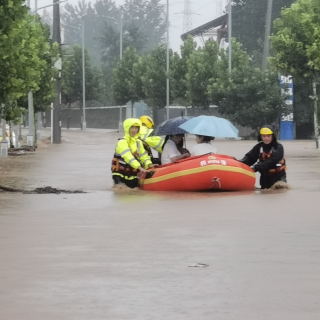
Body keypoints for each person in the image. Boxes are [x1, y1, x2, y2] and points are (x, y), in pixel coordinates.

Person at [111, 118, 157, 189]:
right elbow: (128, 157)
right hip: (120, 174)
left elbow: (143, 156)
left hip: (132, 174)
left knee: (135, 193)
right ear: (127, 128)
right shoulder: (122, 142)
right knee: (121, 191)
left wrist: (149, 164)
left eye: (136, 128)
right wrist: (140, 167)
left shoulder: (139, 142)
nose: (134, 130)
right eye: (132, 127)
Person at [239, 125, 287, 189]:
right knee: (263, 193)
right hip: (264, 179)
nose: (266, 138)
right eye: (264, 136)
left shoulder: (278, 147)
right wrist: (239, 163)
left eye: (268, 136)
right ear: (261, 137)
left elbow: (273, 161)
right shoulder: (258, 147)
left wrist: (255, 168)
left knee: (279, 190)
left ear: (272, 136)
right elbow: (249, 158)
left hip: (279, 178)